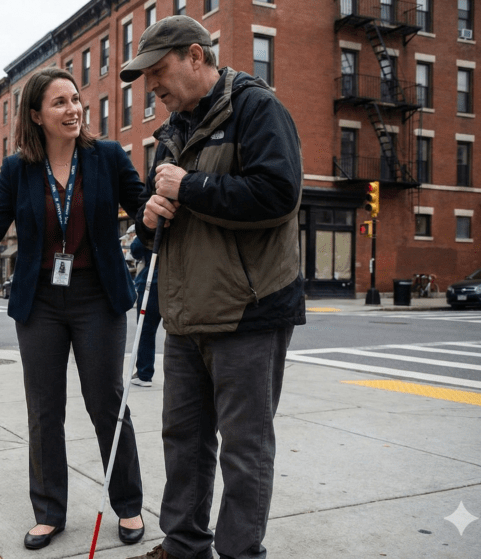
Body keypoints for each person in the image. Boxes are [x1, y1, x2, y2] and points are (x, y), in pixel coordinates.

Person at [0, 68, 146, 550]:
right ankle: (48, 511)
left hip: (97, 298)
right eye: (59, 102)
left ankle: (128, 504)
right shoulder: (18, 169)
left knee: (107, 402)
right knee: (44, 409)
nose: (73, 109)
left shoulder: (105, 157)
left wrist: (162, 217)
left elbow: (144, 210)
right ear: (37, 115)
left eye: (75, 99)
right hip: (39, 299)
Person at [120, 15, 306, 559]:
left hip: (248, 313)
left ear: (197, 57)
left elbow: (279, 194)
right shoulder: (171, 132)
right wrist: (148, 220)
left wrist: (193, 186)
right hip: (183, 314)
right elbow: (162, 230)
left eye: (159, 70)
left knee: (244, 451)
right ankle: (182, 547)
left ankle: (240, 552)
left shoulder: (257, 108)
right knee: (183, 443)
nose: (153, 86)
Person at [128, 232, 160, 388]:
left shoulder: (152, 222)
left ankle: (144, 373)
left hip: (152, 280)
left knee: (146, 329)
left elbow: (136, 249)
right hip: (178, 279)